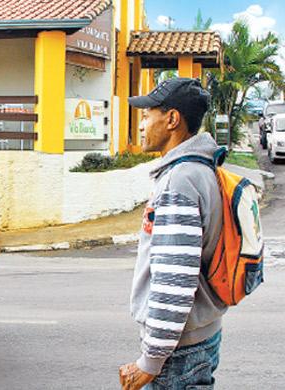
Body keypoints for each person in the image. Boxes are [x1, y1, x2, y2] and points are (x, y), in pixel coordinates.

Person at [118, 78, 227, 390]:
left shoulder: (179, 181)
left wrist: (150, 362)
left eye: (147, 115)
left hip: (178, 352)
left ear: (172, 120)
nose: (141, 124)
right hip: (201, 334)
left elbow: (176, 279)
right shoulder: (203, 170)